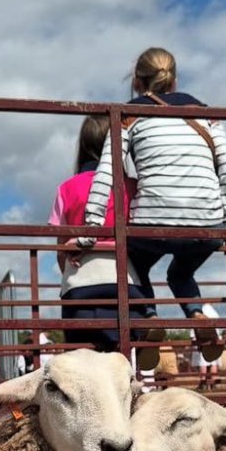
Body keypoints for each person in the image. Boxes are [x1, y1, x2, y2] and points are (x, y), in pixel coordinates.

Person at [84, 47, 226, 364]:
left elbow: (107, 171)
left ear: (137, 81)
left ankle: (150, 319)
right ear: (175, 79)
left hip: (153, 224)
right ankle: (196, 314)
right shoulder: (206, 113)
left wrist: (91, 225)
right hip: (207, 224)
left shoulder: (128, 114)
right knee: (180, 274)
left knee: (134, 265)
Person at [50, 116, 148, 360]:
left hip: (79, 286)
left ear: (84, 146)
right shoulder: (133, 187)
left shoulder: (67, 188)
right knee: (122, 362)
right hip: (126, 282)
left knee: (81, 364)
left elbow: (60, 250)